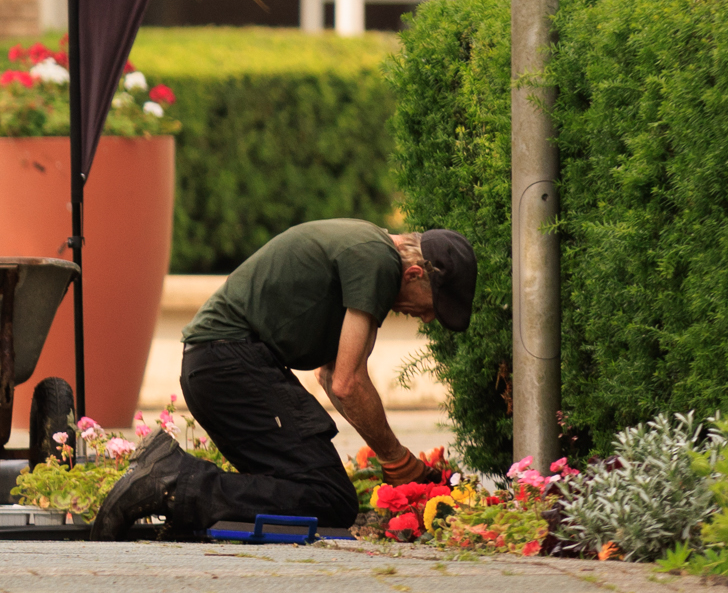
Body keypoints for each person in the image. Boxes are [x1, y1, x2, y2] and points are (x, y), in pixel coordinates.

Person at [93, 220, 479, 539]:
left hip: (214, 366)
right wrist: (397, 458)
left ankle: (178, 500)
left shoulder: (366, 251)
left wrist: (392, 460)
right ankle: (171, 482)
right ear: (414, 274)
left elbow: (331, 377)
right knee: (329, 498)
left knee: (302, 487)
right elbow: (348, 383)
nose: (427, 319)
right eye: (431, 308)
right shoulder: (377, 261)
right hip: (229, 364)